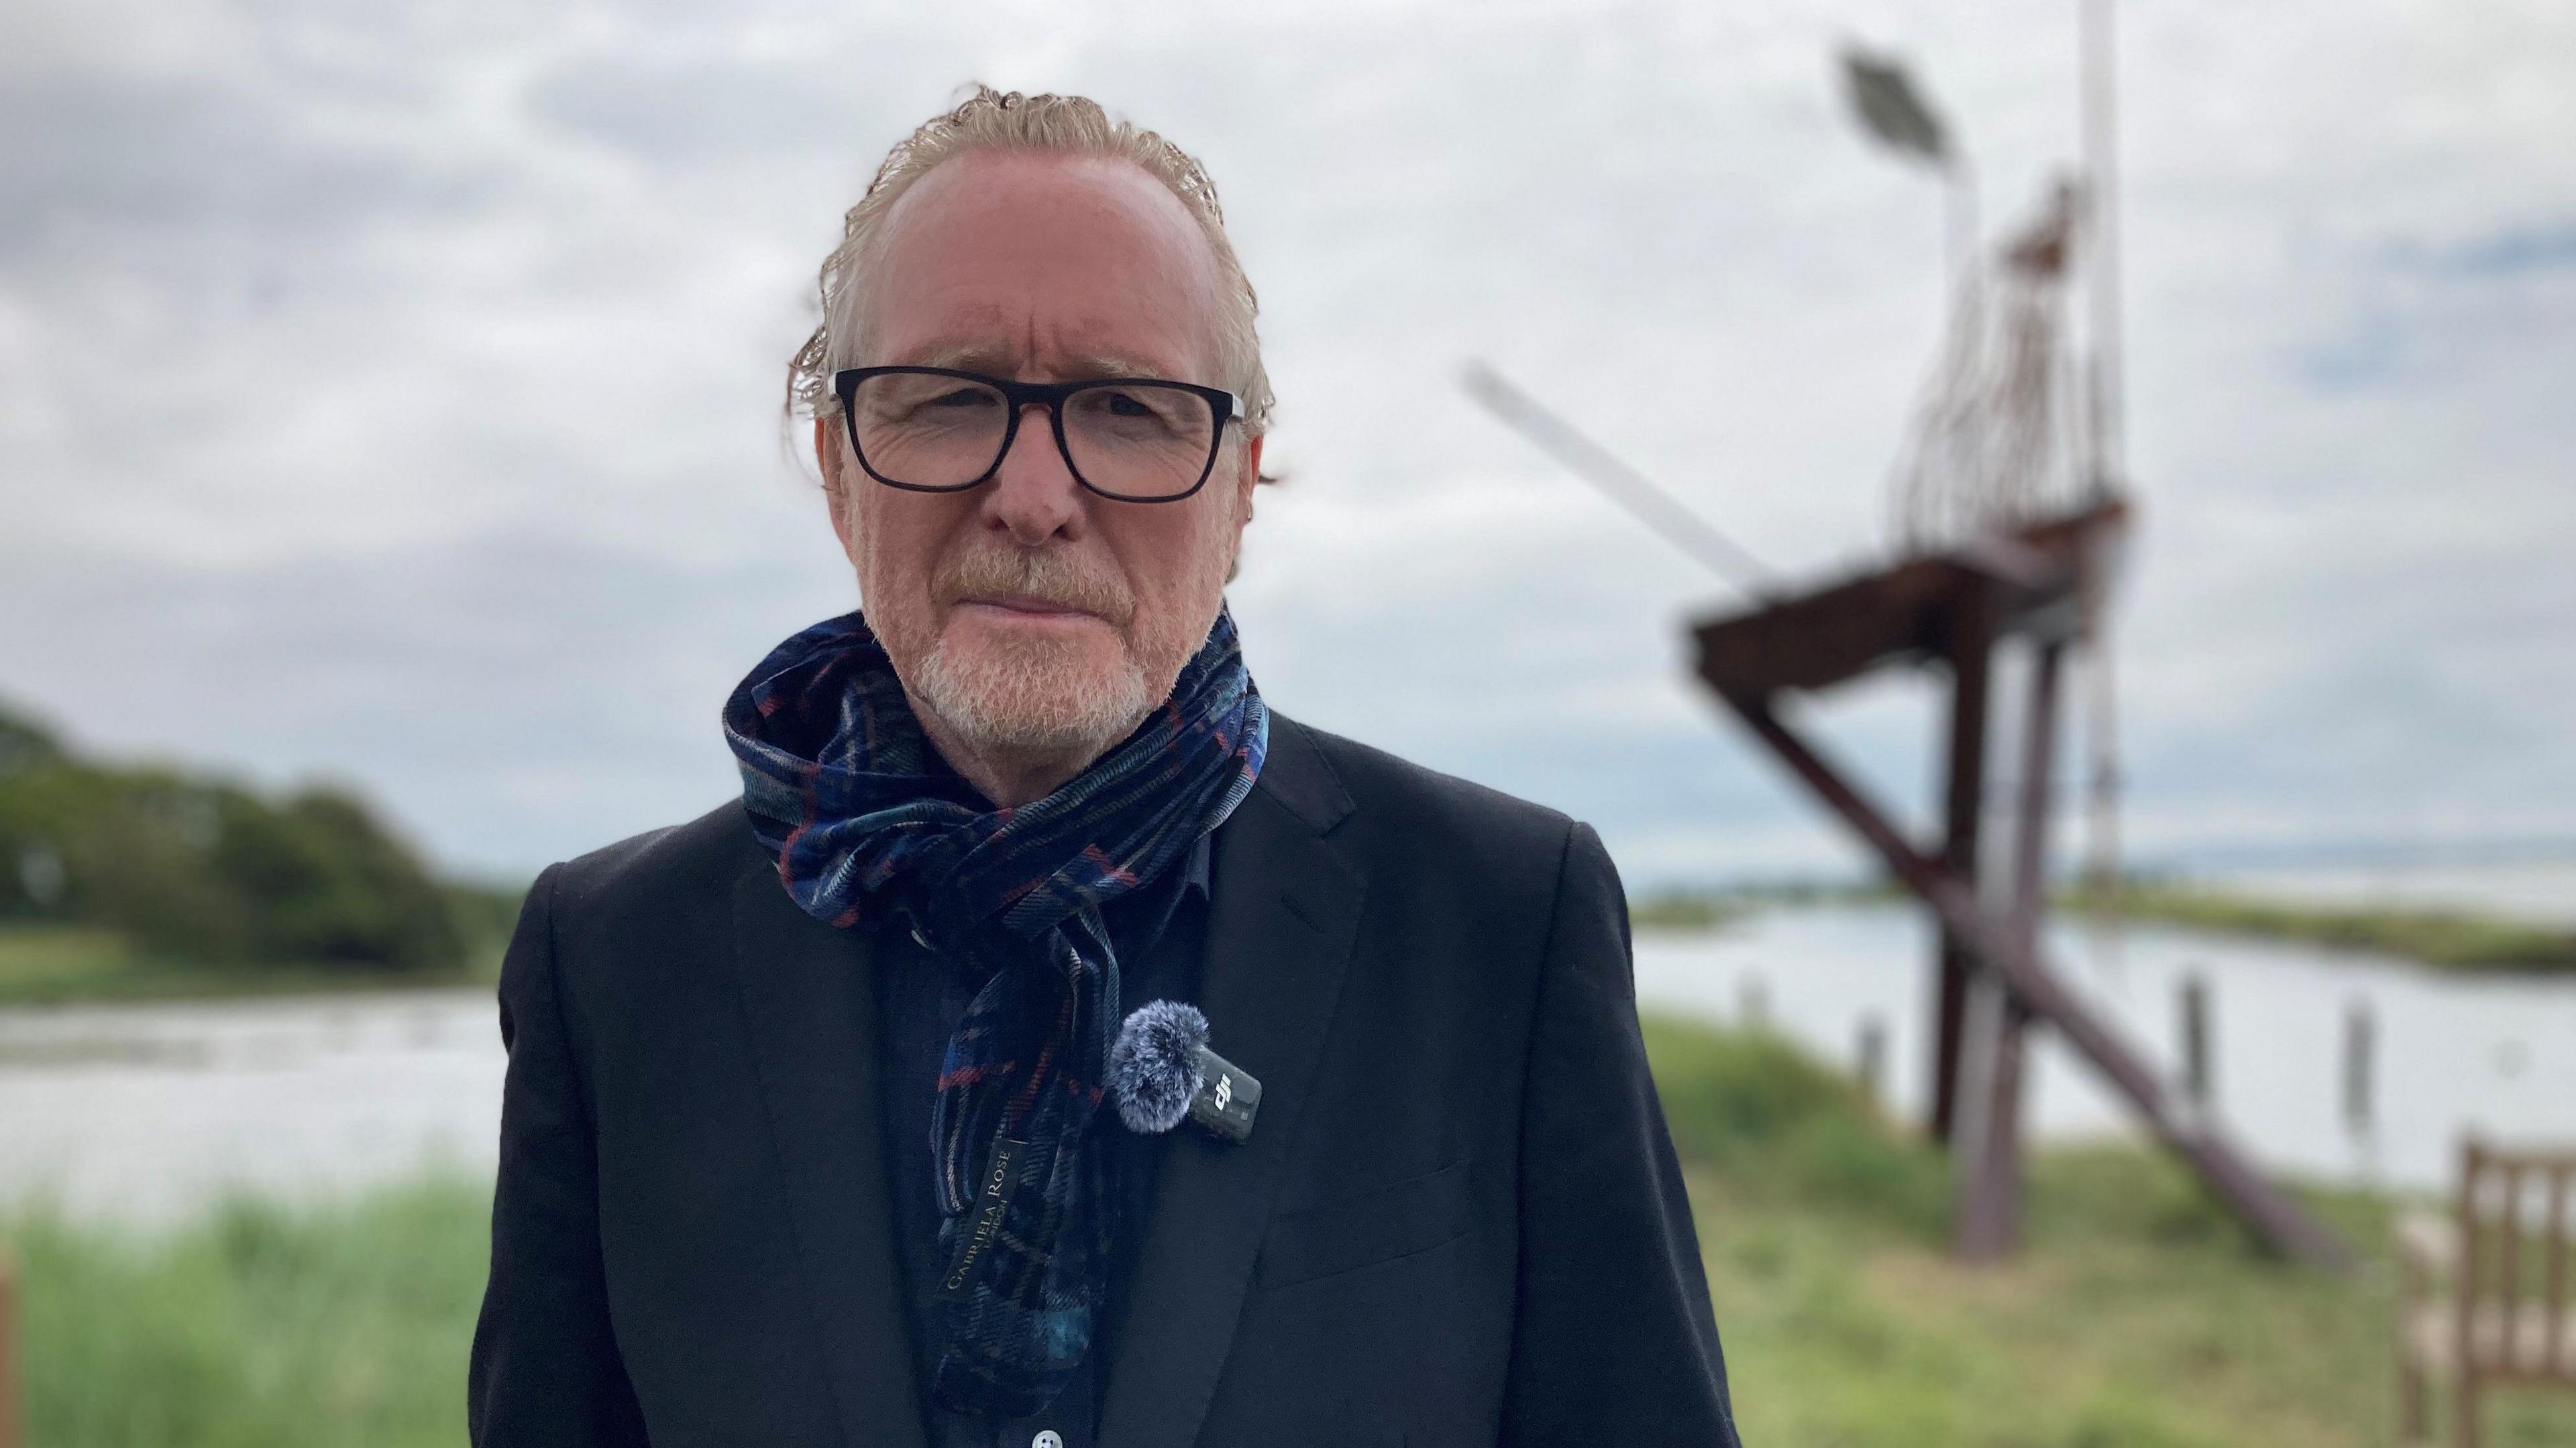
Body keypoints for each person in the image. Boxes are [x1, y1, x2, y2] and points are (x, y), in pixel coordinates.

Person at [468, 87, 1741, 1448]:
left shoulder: (1499, 917)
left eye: (1129, 408)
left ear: (1242, 485)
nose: (1032, 495)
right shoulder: (612, 964)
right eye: (950, 399)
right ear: (840, 469)